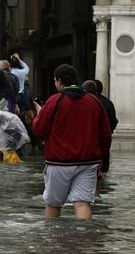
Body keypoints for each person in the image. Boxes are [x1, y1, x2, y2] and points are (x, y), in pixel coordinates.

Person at [32, 64, 111, 220]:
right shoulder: (94, 102)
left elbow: (39, 130)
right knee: (82, 204)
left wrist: (39, 114)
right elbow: (106, 136)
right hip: (88, 162)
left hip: (59, 163)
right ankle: (85, 241)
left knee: (54, 204)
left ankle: (53, 241)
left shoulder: (54, 101)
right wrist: (104, 162)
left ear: (59, 81)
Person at [94, 79, 118, 174]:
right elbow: (114, 121)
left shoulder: (88, 103)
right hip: (105, 142)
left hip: (91, 145)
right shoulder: (108, 103)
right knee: (103, 172)